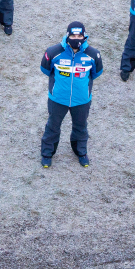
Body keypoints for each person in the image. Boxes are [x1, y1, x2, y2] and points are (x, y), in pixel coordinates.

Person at [40, 22, 103, 168]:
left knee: (81, 127)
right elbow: (46, 69)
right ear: (67, 35)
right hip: (58, 99)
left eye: (79, 35)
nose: (76, 38)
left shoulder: (94, 55)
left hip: (81, 100)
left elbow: (95, 73)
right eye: (73, 35)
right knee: (52, 126)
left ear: (84, 36)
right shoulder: (52, 52)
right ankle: (47, 153)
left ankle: (81, 152)